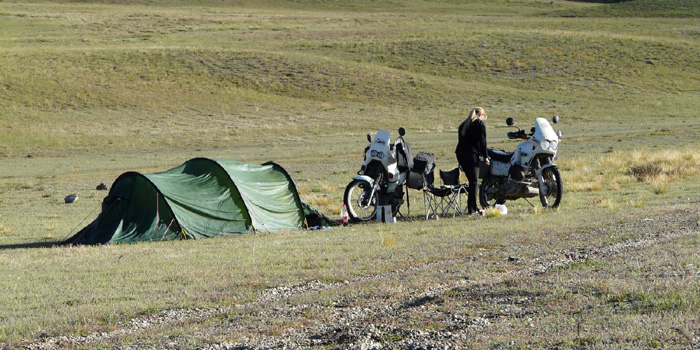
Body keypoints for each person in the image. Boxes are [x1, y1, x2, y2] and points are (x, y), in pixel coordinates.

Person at [455, 107, 490, 216]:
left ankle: (472, 207)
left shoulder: (463, 125)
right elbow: (483, 142)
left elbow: (460, 141)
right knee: (474, 182)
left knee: (472, 181)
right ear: (480, 114)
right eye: (483, 116)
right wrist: (486, 156)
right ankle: (472, 209)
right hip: (471, 155)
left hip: (460, 154)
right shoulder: (479, 124)